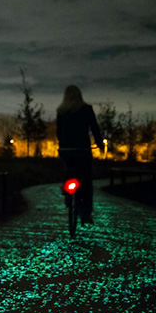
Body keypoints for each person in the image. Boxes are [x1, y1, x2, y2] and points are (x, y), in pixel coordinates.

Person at [56, 85, 103, 224]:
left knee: (68, 168)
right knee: (87, 180)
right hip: (82, 149)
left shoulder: (61, 111)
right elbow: (94, 128)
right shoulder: (87, 109)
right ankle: (86, 213)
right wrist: (99, 144)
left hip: (66, 150)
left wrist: (63, 144)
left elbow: (59, 132)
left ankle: (67, 192)